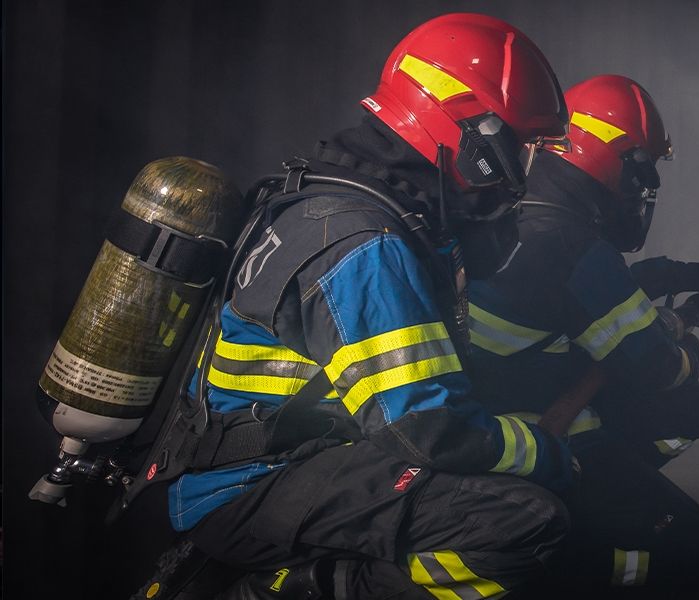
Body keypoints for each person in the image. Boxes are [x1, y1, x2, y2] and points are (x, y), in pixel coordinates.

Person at [152, 14, 578, 599]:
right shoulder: (364, 244)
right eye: (521, 146)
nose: (525, 170)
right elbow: (424, 429)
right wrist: (544, 451)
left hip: (294, 462)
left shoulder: (338, 201)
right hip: (252, 488)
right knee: (521, 524)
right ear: (473, 137)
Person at [462, 74, 699, 593]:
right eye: (642, 172)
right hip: (547, 436)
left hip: (493, 423)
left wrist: (658, 276)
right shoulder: (576, 246)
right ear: (618, 163)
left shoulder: (511, 211)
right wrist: (686, 349)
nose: (642, 189)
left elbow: (559, 305)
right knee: (692, 550)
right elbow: (653, 367)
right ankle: (568, 568)